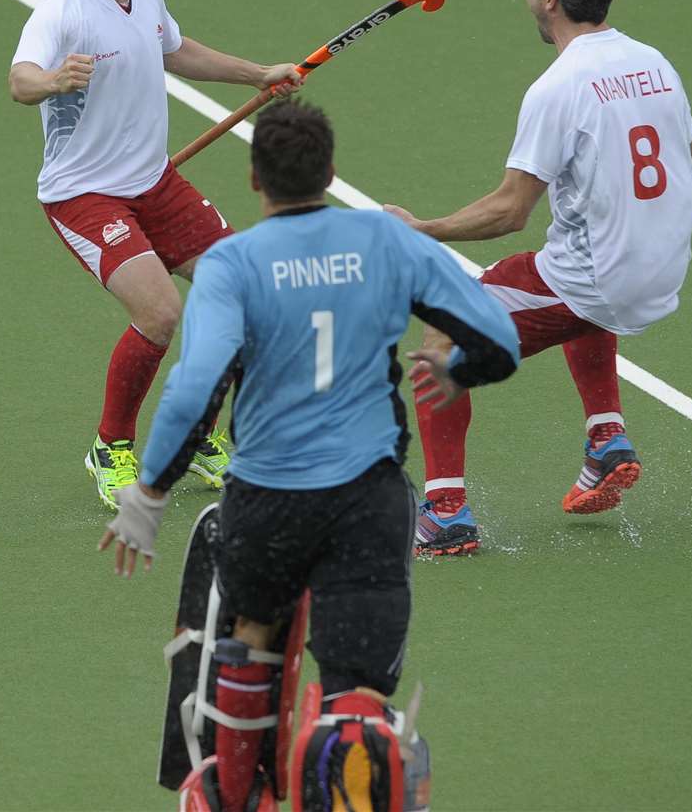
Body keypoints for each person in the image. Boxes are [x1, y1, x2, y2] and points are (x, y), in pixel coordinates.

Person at [99, 99, 520, 810]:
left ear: (255, 179)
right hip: (366, 498)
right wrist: (456, 371)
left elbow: (194, 388)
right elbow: (498, 339)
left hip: (266, 503)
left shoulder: (232, 263)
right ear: (330, 172)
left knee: (252, 639)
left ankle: (234, 794)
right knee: (357, 687)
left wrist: (148, 495)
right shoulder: (387, 241)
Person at [386, 0, 692, 556]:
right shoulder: (654, 62)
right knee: (569, 269)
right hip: (664, 269)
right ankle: (605, 436)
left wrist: (423, 228)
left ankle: (445, 512)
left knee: (442, 334)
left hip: (602, 277)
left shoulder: (557, 87)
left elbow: (509, 211)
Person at [8, 0, 303, 510]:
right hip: (84, 196)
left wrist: (259, 74)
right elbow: (20, 79)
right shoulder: (62, 10)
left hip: (154, 182)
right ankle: (110, 447)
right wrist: (56, 80)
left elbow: (176, 50)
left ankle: (199, 437)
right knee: (161, 313)